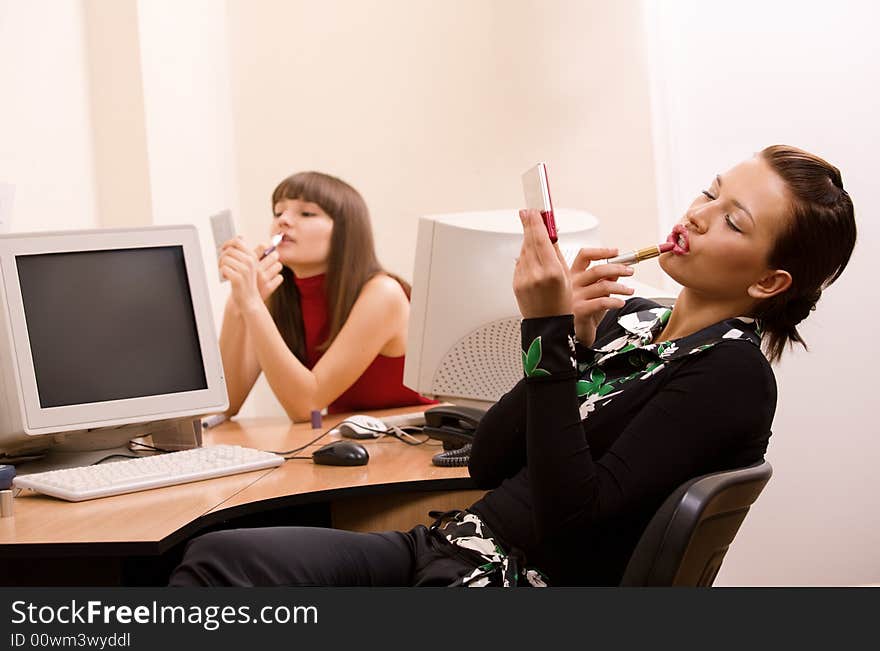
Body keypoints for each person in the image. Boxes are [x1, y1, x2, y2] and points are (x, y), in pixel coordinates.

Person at [171, 145, 856, 586]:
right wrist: (575, 339)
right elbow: (491, 460)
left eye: (735, 222)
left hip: (511, 581)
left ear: (769, 283)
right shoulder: (630, 320)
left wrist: (548, 333)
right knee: (219, 558)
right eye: (710, 193)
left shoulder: (729, 376)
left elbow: (573, 519)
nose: (700, 215)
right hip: (452, 547)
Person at [217, 171, 434, 422]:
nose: (284, 220)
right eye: (278, 212)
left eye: (306, 213)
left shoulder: (383, 294)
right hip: (352, 438)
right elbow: (226, 404)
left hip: (416, 439)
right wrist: (237, 304)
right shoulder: (275, 295)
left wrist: (252, 305)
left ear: (345, 231)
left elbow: (306, 406)